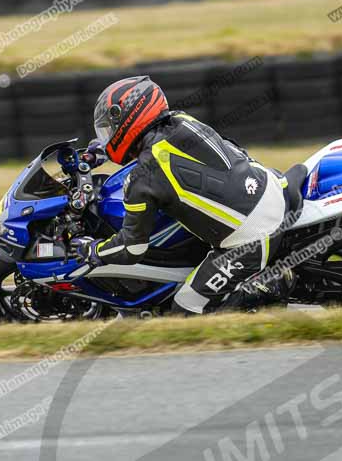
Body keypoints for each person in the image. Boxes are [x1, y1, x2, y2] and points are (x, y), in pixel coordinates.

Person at [72, 75, 291, 314]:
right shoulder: (180, 120)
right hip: (268, 183)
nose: (108, 136)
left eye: (110, 129)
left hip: (252, 236)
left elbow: (132, 248)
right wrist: (98, 151)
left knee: (184, 311)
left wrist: (93, 250)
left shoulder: (142, 179)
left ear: (128, 120)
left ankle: (270, 286)